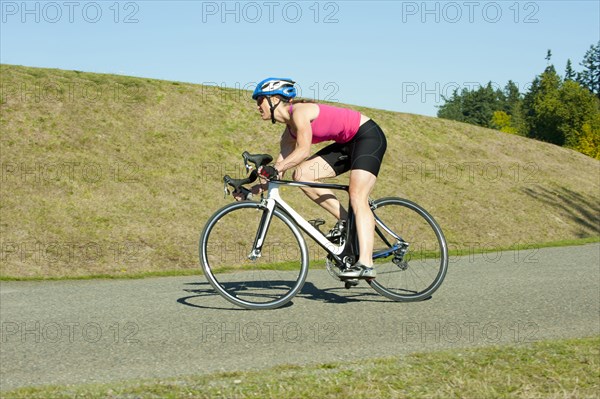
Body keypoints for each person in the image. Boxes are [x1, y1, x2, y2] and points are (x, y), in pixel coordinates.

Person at [251, 77, 387, 279]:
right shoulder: (288, 133)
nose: (257, 106)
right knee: (302, 174)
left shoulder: (300, 112)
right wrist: (252, 190)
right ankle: (346, 222)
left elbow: (303, 150)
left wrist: (277, 167)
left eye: (259, 100)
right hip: (346, 144)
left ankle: (366, 264)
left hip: (367, 137)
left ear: (274, 99)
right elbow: (279, 170)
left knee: (357, 195)